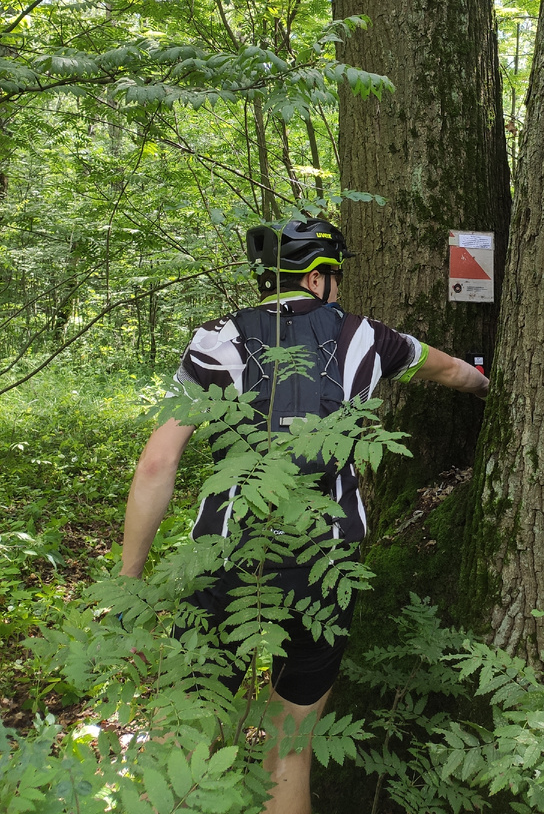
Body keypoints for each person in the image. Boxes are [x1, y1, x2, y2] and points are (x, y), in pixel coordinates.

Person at [120, 218, 489, 814]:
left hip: (226, 558)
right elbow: (452, 371)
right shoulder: (368, 337)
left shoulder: (215, 339)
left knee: (182, 738)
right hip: (325, 562)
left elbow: (157, 465)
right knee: (291, 746)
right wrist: (486, 388)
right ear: (318, 278)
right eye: (334, 279)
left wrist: (129, 584)